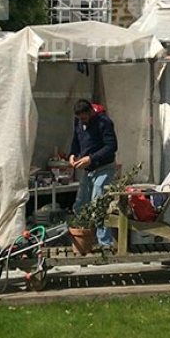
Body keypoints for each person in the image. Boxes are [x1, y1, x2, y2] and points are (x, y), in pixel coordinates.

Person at [69, 98, 118, 249]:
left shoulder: (104, 122)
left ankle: (105, 243)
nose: (82, 121)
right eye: (79, 119)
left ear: (91, 112)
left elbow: (112, 146)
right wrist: (73, 154)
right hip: (88, 170)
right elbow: (76, 139)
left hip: (104, 168)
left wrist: (91, 158)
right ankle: (86, 237)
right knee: (80, 204)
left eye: (84, 118)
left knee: (98, 204)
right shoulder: (78, 122)